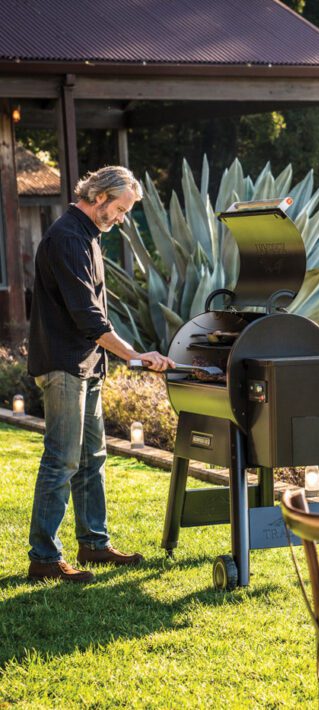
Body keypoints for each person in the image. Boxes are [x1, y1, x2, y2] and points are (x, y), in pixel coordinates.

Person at [26, 165, 176, 583]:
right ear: (99, 196)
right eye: (121, 209)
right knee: (62, 459)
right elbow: (89, 318)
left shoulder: (87, 235)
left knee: (92, 458)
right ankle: (43, 557)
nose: (121, 218)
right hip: (64, 365)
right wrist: (133, 354)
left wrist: (116, 358)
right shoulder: (68, 238)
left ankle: (93, 542)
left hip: (86, 364)